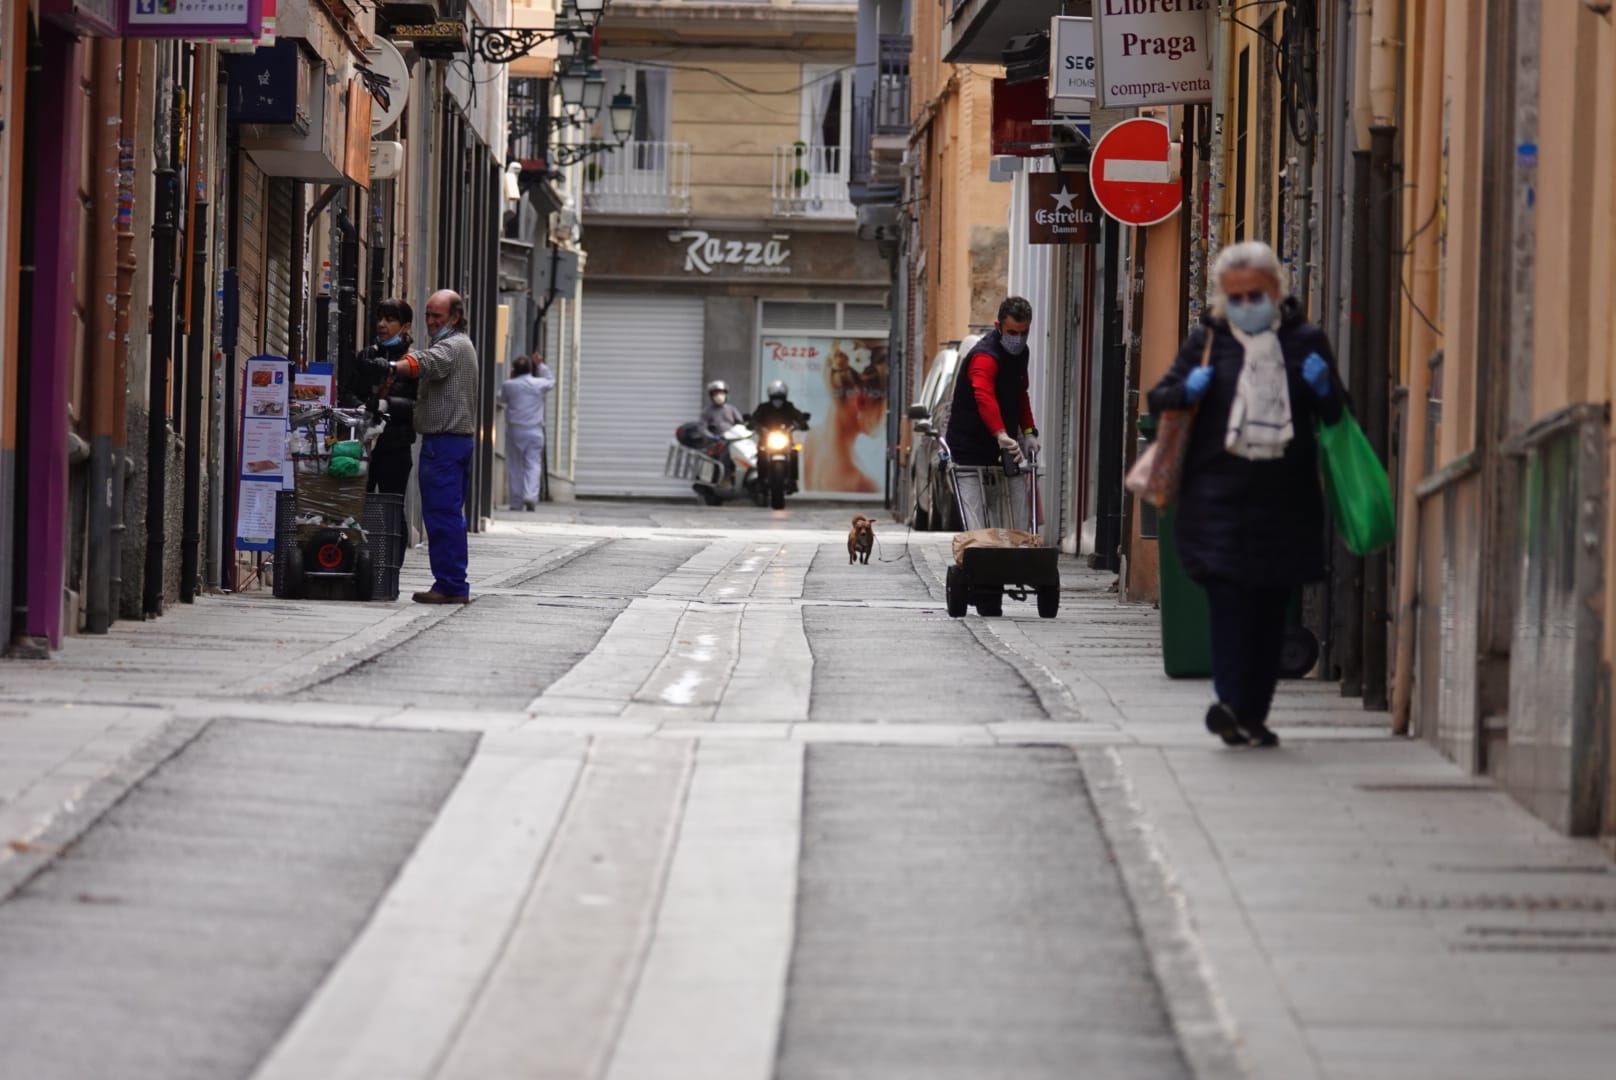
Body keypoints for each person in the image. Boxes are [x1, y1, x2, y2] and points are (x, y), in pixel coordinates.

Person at [1145, 241, 1344, 749]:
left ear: (1277, 291)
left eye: (1257, 293)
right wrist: (1187, 388)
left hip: (1286, 504)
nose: (1247, 303)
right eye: (1236, 296)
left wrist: (1324, 390)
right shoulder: (1208, 342)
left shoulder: (1305, 343)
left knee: (1269, 619)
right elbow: (1160, 398)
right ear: (1222, 298)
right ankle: (1231, 702)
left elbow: (1339, 415)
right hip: (1217, 504)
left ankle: (1253, 714)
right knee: (1230, 610)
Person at [390, 290, 480, 605]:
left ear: (454, 317)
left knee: (442, 515)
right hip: (450, 442)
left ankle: (452, 585)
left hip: (445, 443)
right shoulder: (457, 344)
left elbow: (426, 363)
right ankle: (451, 581)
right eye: (427, 315)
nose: (429, 321)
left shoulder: (452, 346)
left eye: (436, 316)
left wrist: (391, 365)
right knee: (446, 514)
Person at [943, 296, 1040, 531]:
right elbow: (984, 396)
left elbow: (1020, 394)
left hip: (1003, 447)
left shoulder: (1021, 354)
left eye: (1023, 332)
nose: (1018, 339)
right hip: (970, 446)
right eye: (1012, 332)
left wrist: (1028, 432)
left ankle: (1014, 553)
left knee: (1012, 513)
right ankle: (977, 557)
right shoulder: (985, 356)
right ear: (998, 327)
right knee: (975, 517)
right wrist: (1000, 433)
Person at [344, 298, 418, 496]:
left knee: (392, 507)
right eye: (380, 319)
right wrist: (360, 407)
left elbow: (418, 405)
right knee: (359, 505)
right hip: (363, 444)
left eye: (390, 320)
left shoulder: (413, 362)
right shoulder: (366, 355)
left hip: (396, 445)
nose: (381, 324)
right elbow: (348, 391)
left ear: (406, 326)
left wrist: (387, 404)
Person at [801, 339, 888, 494]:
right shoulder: (861, 484)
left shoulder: (810, 441)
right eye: (886, 405)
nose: (885, 416)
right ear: (861, 401)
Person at [499, 354, 555, 511]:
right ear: (531, 369)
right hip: (535, 430)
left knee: (515, 466)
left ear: (514, 370)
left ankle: (516, 502)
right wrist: (541, 365)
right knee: (533, 463)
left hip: (515, 430)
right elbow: (551, 381)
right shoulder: (538, 384)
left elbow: (501, 399)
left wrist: (511, 379)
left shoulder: (508, 385)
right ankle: (530, 496)